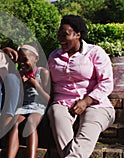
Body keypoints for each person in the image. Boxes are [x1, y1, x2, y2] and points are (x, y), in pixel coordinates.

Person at [47, 15, 115, 158]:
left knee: (88, 127)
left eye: (65, 35)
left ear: (78, 34)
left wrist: (86, 101)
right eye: (59, 35)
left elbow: (107, 82)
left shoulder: (95, 52)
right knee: (55, 113)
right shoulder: (54, 56)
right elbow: (48, 82)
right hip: (63, 103)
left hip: (96, 105)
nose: (61, 39)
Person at [7, 44, 50, 158]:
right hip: (24, 107)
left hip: (39, 106)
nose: (22, 63)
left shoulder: (43, 73)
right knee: (15, 124)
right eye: (20, 61)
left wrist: (35, 85)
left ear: (36, 58)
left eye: (25, 60)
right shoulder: (20, 75)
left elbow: (48, 99)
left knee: (30, 123)